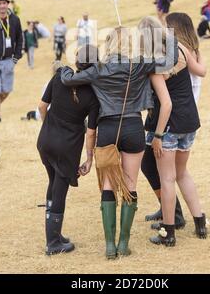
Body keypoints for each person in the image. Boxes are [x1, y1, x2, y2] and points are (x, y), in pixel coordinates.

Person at [61, 26, 178, 259]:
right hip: (133, 126)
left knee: (107, 186)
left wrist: (64, 71)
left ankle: (109, 247)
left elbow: (69, 80)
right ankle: (123, 244)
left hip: (107, 129)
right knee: (130, 183)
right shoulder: (140, 64)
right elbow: (171, 59)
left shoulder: (99, 68)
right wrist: (167, 34)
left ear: (109, 44)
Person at [144, 33, 207, 247]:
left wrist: (158, 136)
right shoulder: (179, 48)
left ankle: (168, 233)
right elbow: (201, 71)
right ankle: (200, 223)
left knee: (168, 179)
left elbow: (166, 104)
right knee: (182, 173)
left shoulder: (155, 65)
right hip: (190, 120)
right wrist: (198, 51)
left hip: (170, 125)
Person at [37, 48, 100, 256]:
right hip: (67, 147)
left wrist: (48, 127)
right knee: (60, 189)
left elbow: (41, 106)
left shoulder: (59, 77)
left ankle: (54, 233)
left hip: (45, 141)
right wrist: (89, 158)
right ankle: (53, 242)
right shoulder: (92, 95)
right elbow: (91, 133)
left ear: (77, 61)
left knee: (52, 182)